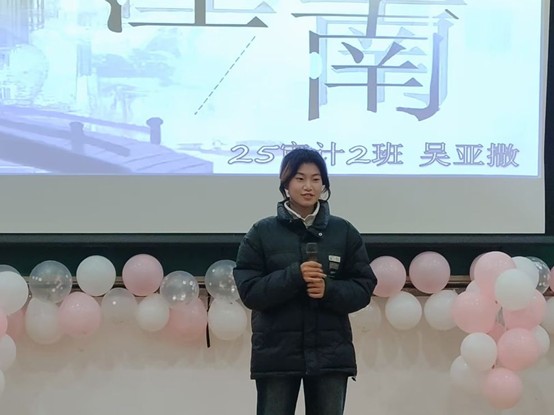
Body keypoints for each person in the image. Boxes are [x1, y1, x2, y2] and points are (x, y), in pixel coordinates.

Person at [233, 148, 377, 415]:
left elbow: (364, 286)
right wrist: (294, 276)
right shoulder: (261, 232)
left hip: (330, 354)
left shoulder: (344, 232)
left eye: (316, 179)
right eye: (300, 178)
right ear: (285, 184)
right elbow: (250, 291)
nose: (308, 186)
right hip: (276, 354)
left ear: (324, 185)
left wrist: (329, 290)